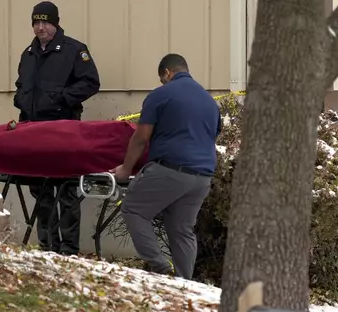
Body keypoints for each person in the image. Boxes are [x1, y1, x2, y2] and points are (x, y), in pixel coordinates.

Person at [111, 54, 221, 280]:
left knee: (133, 208)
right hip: (202, 177)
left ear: (167, 73)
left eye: (163, 79)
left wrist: (125, 168)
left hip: (171, 169)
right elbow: (212, 135)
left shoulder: (161, 95)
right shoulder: (210, 102)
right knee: (181, 229)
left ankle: (161, 267)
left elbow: (141, 138)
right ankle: (184, 284)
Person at [13, 1, 101, 255]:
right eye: (36, 22)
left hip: (64, 130)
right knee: (41, 191)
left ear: (55, 23)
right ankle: (47, 246)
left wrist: (62, 99)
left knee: (66, 190)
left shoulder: (74, 50)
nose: (40, 27)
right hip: (33, 131)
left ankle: (69, 249)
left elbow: (91, 82)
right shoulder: (28, 54)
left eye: (45, 22)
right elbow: (21, 85)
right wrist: (20, 99)